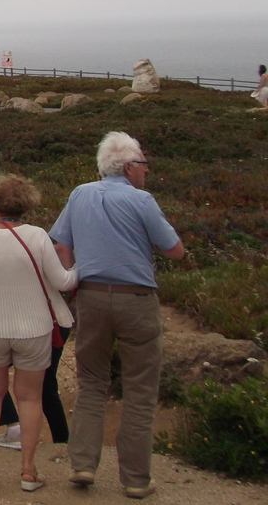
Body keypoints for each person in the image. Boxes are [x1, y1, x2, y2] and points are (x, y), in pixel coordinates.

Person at [49, 132, 184, 499]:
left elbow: (61, 244)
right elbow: (175, 251)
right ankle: (136, 479)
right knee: (140, 388)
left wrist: (73, 278)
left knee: (92, 381)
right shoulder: (142, 200)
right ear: (128, 168)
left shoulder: (80, 194)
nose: (146, 170)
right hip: (136, 299)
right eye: (142, 164)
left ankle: (82, 464)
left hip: (91, 297)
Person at [0, 175, 77, 493]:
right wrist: (80, 269)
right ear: (27, 204)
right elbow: (63, 282)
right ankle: (27, 471)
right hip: (34, 329)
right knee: (30, 396)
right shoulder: (38, 236)